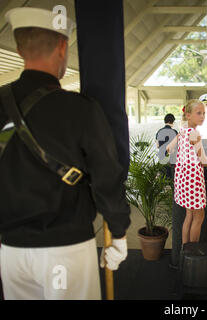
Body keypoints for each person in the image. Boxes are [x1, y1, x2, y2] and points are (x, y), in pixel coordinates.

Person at [0, 8, 131, 300]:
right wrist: (119, 232)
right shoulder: (80, 109)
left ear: (19, 48)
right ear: (62, 47)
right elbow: (106, 177)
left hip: (10, 252)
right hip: (64, 250)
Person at [167, 100, 207, 245]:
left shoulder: (183, 130)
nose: (202, 116)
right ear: (188, 115)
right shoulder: (194, 133)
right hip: (193, 180)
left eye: (204, 113)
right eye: (198, 113)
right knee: (199, 218)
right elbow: (203, 159)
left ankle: (184, 251)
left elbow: (169, 148)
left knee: (189, 215)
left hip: (182, 178)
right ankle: (193, 250)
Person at [156, 113, 178, 177]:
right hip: (172, 158)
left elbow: (157, 145)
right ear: (172, 121)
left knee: (163, 177)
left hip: (162, 157)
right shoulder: (175, 132)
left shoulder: (159, 131)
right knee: (171, 177)